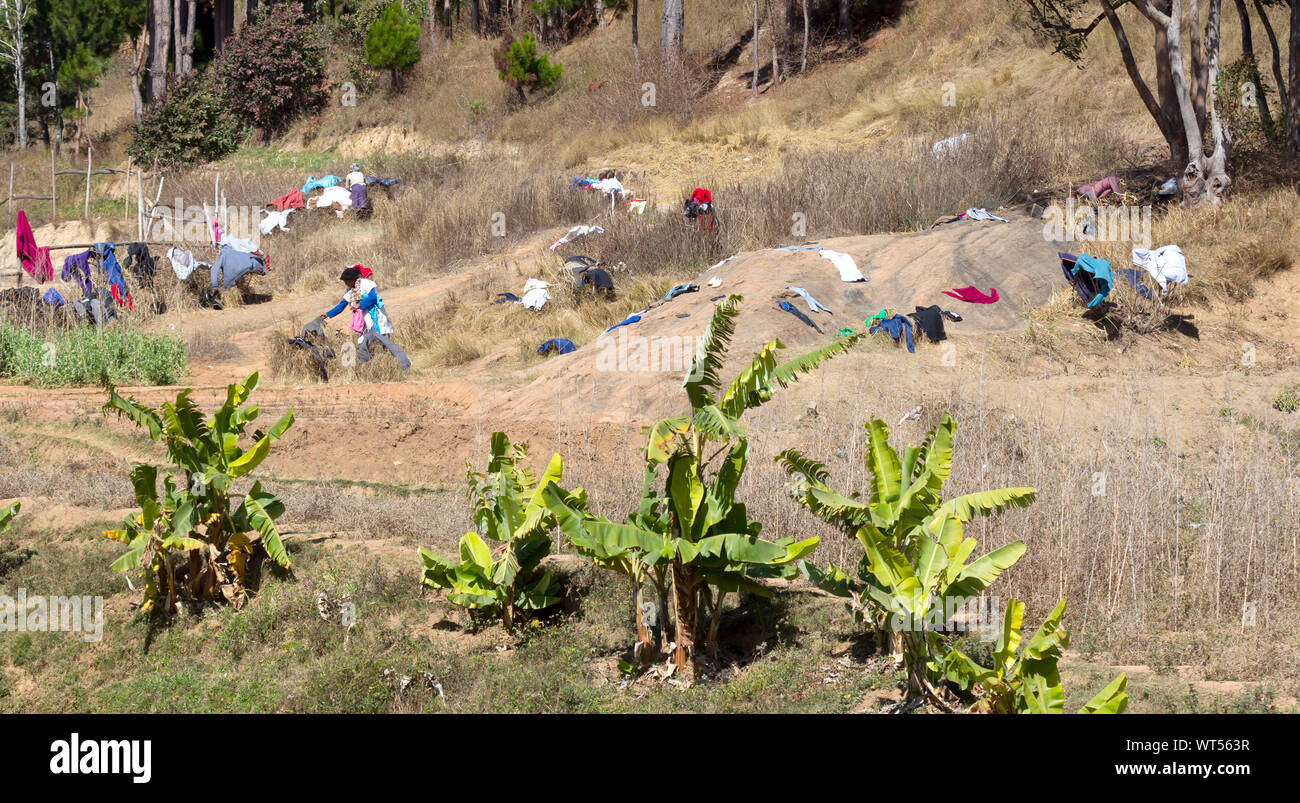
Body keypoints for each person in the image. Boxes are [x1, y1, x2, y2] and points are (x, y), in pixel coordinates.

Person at [323, 266, 410, 371]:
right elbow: (341, 306)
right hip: (366, 324)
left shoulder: (365, 283)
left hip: (377, 319)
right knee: (363, 345)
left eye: (347, 281)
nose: (346, 284)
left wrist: (360, 305)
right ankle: (367, 370)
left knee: (387, 345)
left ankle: (403, 365)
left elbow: (373, 298)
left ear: (353, 280)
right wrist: (328, 314)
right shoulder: (350, 291)